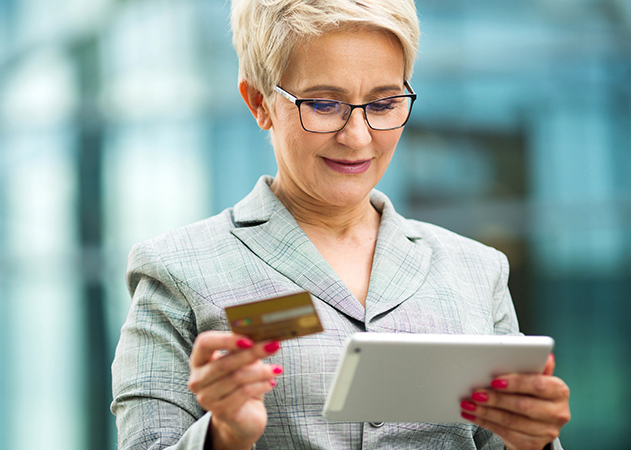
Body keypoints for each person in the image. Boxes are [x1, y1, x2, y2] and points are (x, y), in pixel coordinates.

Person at [110, 0, 571, 449]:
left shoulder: (476, 270)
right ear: (259, 102)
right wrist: (225, 437)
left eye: (384, 103)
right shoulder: (177, 270)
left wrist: (531, 443)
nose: (357, 137)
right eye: (325, 105)